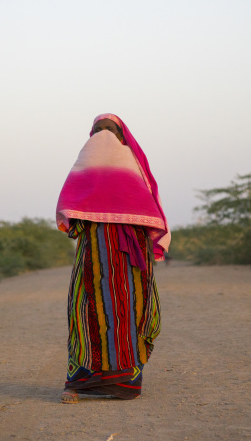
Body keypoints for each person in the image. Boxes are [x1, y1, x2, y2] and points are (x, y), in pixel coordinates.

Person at [56, 113, 171, 404]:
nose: (104, 134)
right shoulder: (85, 164)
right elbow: (73, 213)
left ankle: (125, 381)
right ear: (90, 133)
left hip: (131, 254)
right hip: (94, 252)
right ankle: (89, 378)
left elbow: (148, 211)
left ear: (122, 136)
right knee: (87, 308)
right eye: (99, 129)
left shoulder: (131, 165)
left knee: (130, 306)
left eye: (110, 129)